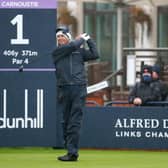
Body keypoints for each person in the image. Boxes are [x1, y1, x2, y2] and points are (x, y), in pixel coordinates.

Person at [52, 26, 99, 161]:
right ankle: (70, 149)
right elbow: (72, 46)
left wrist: (89, 39)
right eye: (58, 37)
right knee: (65, 122)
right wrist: (81, 39)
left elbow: (95, 54)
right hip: (64, 89)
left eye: (62, 36)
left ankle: (72, 153)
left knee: (74, 122)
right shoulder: (58, 51)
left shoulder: (79, 51)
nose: (60, 39)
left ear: (68, 37)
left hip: (78, 89)